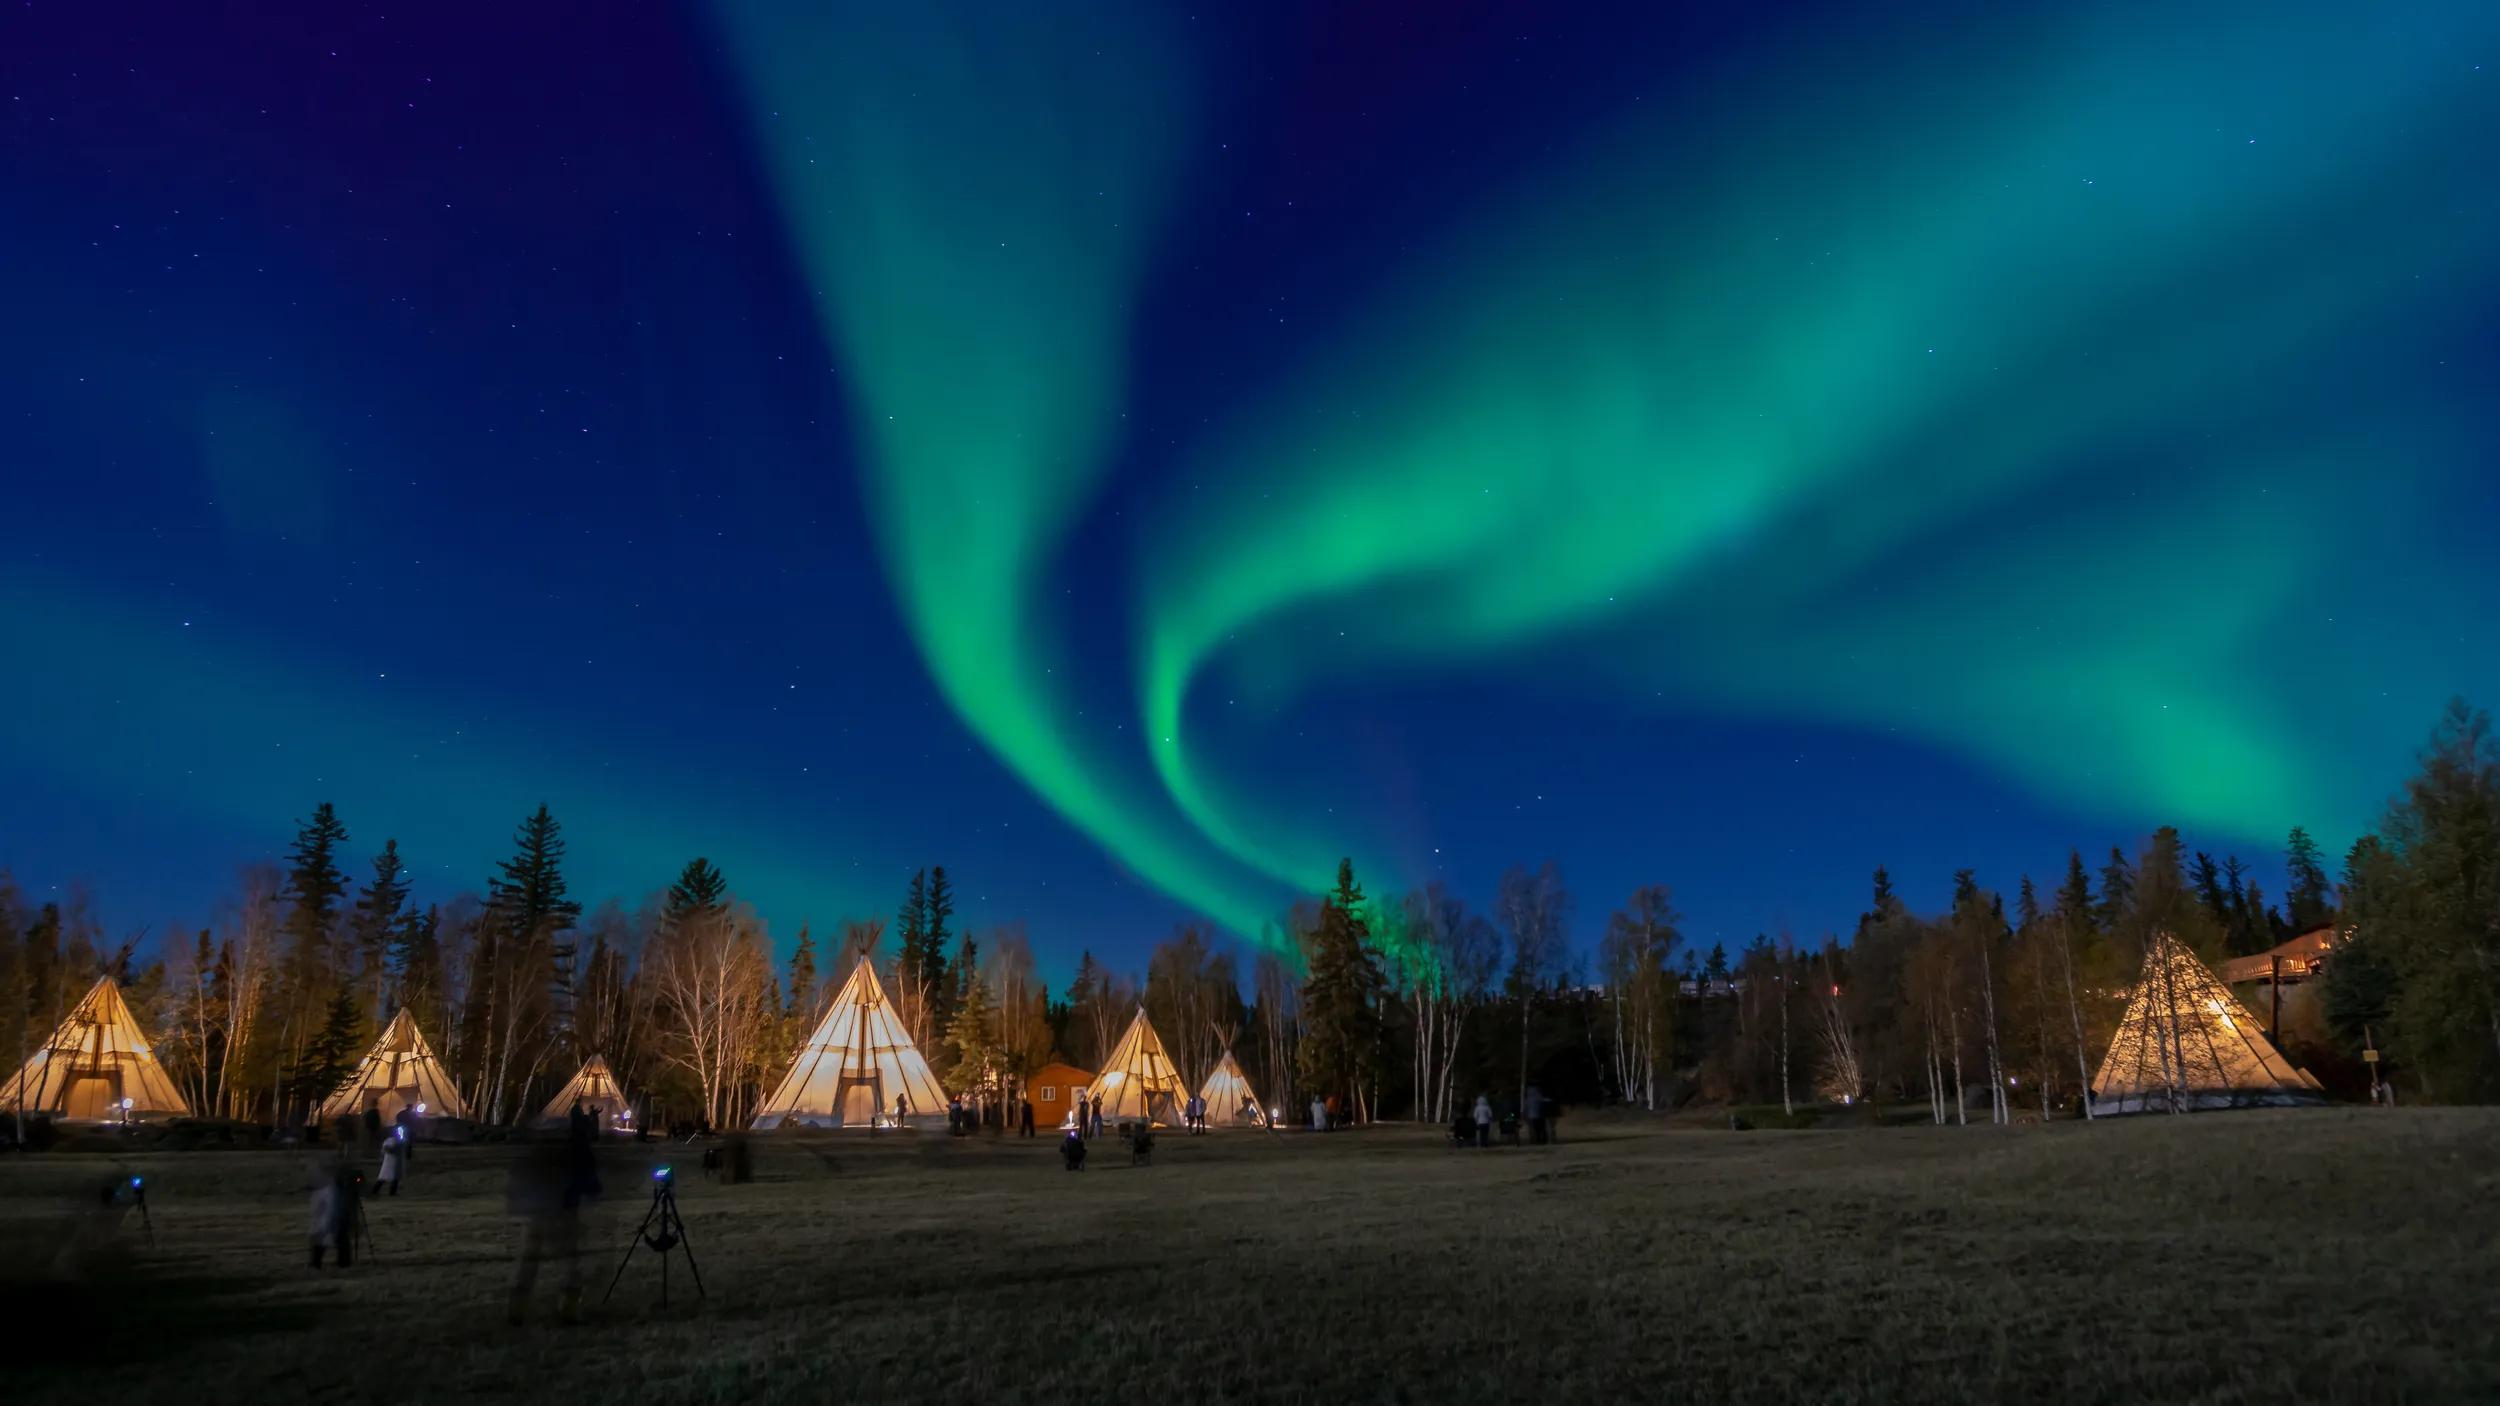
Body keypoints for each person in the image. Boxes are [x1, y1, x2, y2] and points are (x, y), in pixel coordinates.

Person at [508, 1112, 602, 1324]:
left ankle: (518, 1307)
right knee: (568, 1260)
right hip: (562, 1211)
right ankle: (568, 1307)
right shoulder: (576, 1153)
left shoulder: (536, 1153)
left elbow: (519, 1178)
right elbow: (591, 1184)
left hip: (541, 1210)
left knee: (530, 1260)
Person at [307, 1155, 359, 1269]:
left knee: (336, 1238)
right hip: (335, 1212)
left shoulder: (336, 1182)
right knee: (327, 1238)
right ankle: (320, 1263)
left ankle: (340, 1262)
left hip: (340, 1212)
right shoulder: (330, 1183)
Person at [378, 1124, 409, 1196]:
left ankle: (392, 1192)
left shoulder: (400, 1141)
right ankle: (376, 1191)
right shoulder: (389, 1141)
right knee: (384, 1177)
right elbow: (386, 1149)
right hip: (389, 1161)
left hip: (396, 1161)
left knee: (395, 1177)